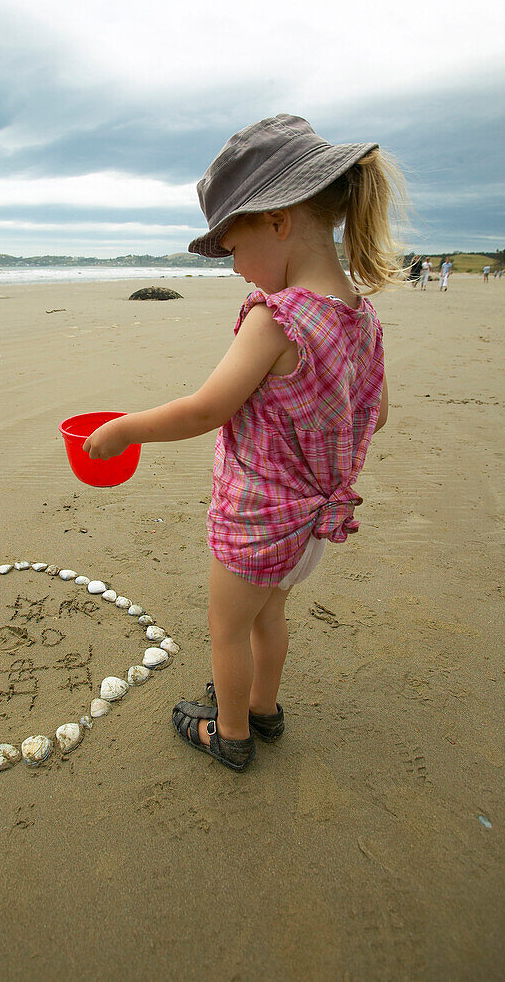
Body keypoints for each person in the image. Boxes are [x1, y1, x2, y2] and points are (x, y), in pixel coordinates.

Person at [84, 115, 403, 771]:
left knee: (228, 630)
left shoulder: (277, 317)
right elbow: (379, 412)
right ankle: (263, 707)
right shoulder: (358, 314)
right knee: (269, 620)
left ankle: (229, 733)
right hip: (313, 524)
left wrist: (124, 428)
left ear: (278, 220)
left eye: (232, 248)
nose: (234, 269)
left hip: (258, 518)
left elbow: (205, 409)